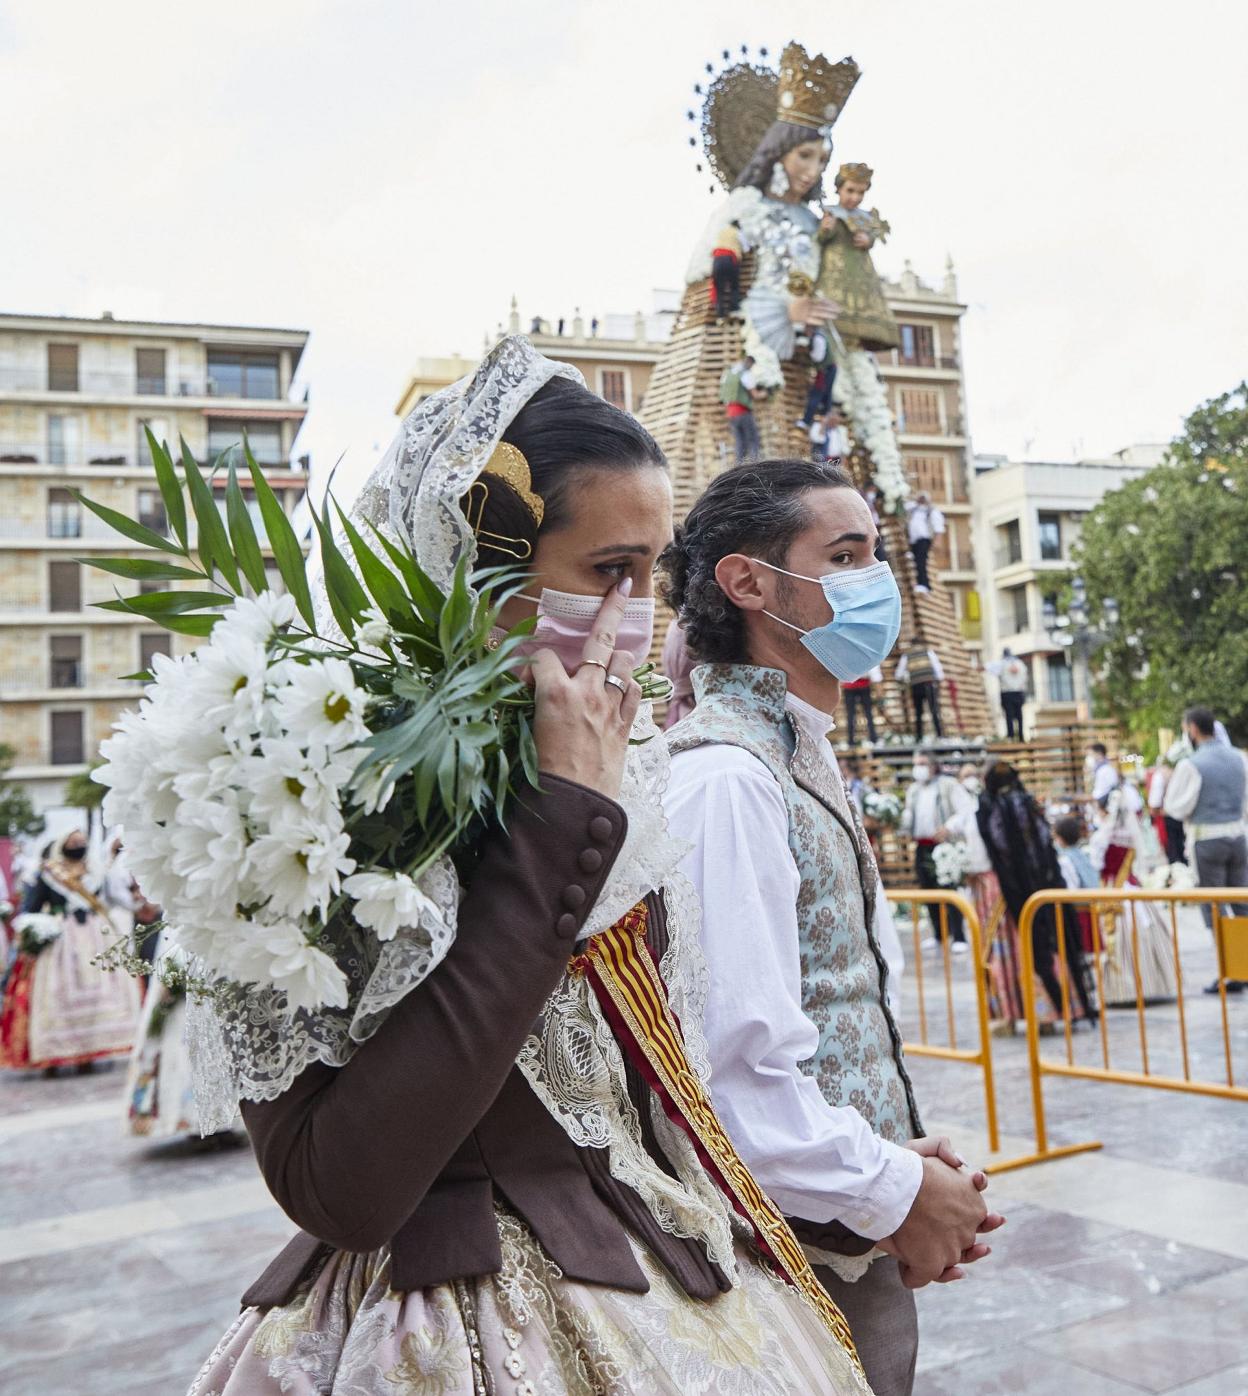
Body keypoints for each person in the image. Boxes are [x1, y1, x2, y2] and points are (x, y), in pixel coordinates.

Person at [185, 340, 873, 1395]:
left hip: (653, 1268)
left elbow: (666, 1085)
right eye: (607, 570)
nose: (634, 613)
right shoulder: (306, 775)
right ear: (480, 561)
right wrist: (561, 818)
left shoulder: (632, 767)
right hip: (441, 1321)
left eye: (651, 573)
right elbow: (345, 1186)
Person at [661, 456, 1001, 1396]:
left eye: (876, 556)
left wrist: (898, 1161)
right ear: (748, 583)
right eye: (845, 556)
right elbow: (729, 1073)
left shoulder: (794, 753)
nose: (874, 585)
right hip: (787, 1257)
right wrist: (890, 1190)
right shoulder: (727, 777)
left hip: (841, 1229)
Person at [0, 829, 140, 1073]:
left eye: (82, 842)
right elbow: (31, 907)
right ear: (62, 844)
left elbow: (113, 899)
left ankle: (88, 1052)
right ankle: (53, 1057)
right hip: (61, 940)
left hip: (96, 935)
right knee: (56, 992)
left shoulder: (96, 872)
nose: (78, 845)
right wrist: (34, 931)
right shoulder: (49, 874)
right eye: (73, 842)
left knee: (101, 992)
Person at [976, 762, 1097, 1025]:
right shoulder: (1025, 804)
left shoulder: (991, 809)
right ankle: (1071, 1005)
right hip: (1045, 886)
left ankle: (1053, 1008)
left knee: (1032, 950)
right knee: (1056, 944)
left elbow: (1000, 850)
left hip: (1015, 893)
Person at [1164, 705, 1248, 994]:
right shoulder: (1239, 759)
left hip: (1207, 838)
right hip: (1238, 836)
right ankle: (1244, 964)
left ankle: (1230, 970)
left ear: (1193, 729)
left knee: (1214, 906)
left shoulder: (1192, 764)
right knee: (1241, 902)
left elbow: (1175, 806)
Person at [902, 751, 973, 951]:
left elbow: (965, 810)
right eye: (916, 763)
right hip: (922, 845)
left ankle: (959, 936)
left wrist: (949, 827)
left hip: (943, 845)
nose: (919, 767)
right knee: (928, 890)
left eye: (923, 763)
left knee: (949, 890)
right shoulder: (914, 789)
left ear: (933, 765)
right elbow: (909, 814)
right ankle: (939, 934)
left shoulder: (948, 785)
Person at [894, 638, 944, 740]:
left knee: (918, 712)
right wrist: (939, 680)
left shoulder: (907, 655)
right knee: (934, 710)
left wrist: (906, 679)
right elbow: (937, 668)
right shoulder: (928, 652)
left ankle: (919, 737)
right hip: (929, 684)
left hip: (916, 685)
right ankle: (940, 735)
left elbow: (899, 674)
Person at [720, 353, 761, 462]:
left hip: (731, 413)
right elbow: (754, 394)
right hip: (743, 412)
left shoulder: (728, 373)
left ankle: (739, 465)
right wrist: (765, 393)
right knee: (753, 440)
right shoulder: (745, 374)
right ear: (750, 363)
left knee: (739, 442)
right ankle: (754, 465)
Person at [904, 492, 944, 593]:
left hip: (924, 540)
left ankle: (924, 584)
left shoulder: (931, 511)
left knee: (921, 562)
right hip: (913, 541)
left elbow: (938, 527)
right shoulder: (913, 509)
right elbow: (906, 506)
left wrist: (937, 540)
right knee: (916, 561)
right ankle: (921, 583)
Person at [986, 649, 1029, 742]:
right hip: (1019, 692)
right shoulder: (1021, 664)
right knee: (1019, 715)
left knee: (1009, 715)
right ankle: (1021, 736)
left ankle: (1011, 736)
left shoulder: (1002, 664)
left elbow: (988, 667)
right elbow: (1025, 678)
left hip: (1007, 693)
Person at [841, 665, 883, 746]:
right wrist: (879, 694)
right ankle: (873, 739)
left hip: (851, 685)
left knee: (851, 714)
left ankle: (851, 741)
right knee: (867, 713)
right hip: (860, 686)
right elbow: (875, 673)